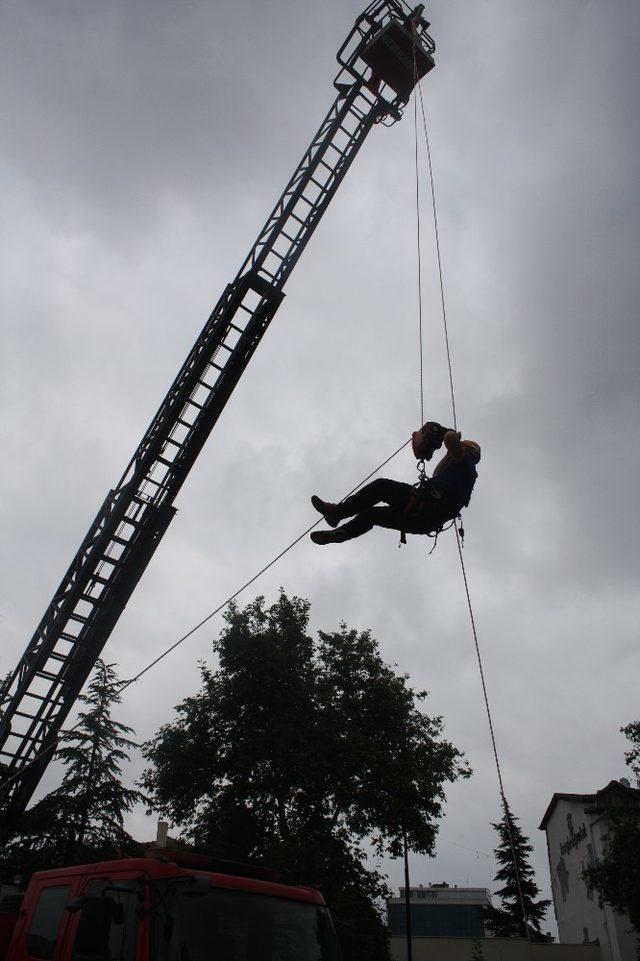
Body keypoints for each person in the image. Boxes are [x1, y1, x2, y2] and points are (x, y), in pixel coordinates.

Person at [310, 425, 480, 545]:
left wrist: (449, 434)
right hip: (424, 520)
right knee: (372, 515)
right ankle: (342, 533)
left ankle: (338, 512)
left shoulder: (466, 463)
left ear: (468, 451)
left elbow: (450, 439)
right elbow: (436, 472)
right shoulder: (461, 473)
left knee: (381, 487)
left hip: (425, 505)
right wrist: (450, 449)